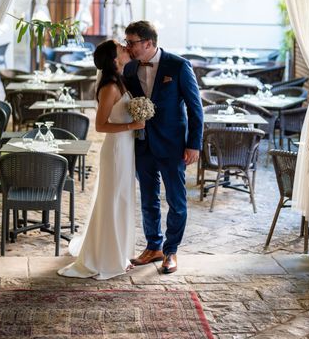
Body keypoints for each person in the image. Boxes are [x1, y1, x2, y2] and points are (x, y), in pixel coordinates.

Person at [57, 40, 145, 280]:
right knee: (113, 201)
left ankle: (119, 252)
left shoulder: (120, 79)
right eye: (120, 48)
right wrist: (132, 124)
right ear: (114, 59)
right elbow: (100, 125)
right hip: (116, 150)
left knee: (123, 199)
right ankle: (108, 258)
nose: (125, 48)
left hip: (126, 148)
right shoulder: (109, 87)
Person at [123, 20, 203, 274]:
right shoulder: (129, 69)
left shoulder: (178, 66)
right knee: (148, 198)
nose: (128, 47)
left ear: (149, 43)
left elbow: (195, 108)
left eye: (131, 42)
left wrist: (194, 144)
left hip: (173, 145)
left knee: (176, 200)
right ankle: (153, 246)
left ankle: (171, 251)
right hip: (142, 144)